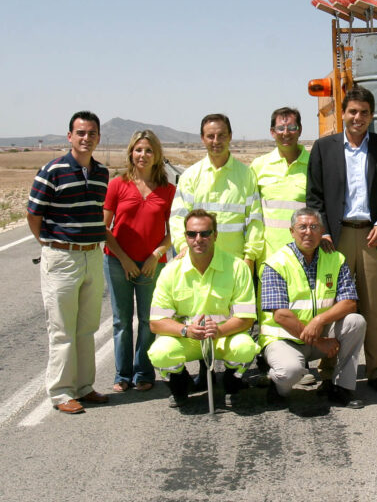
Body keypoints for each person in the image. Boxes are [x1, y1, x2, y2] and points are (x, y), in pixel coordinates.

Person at [306, 86, 377, 394]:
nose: (358, 117)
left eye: (364, 112)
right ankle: (329, 369)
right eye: (352, 111)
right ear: (343, 113)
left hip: (373, 237)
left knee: (374, 308)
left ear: (372, 116)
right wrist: (322, 231)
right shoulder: (323, 148)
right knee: (335, 305)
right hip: (335, 239)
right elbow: (315, 196)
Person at [27, 111, 110, 414]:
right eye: (80, 133)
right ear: (70, 136)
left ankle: (84, 387)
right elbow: (33, 214)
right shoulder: (52, 170)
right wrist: (50, 244)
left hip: (92, 255)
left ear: (98, 137)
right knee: (62, 329)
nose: (86, 138)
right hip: (62, 257)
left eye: (91, 133)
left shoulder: (102, 173)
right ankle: (62, 393)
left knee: (86, 327)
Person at [148, 210, 258, 409]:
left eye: (205, 233)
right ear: (185, 237)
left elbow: (246, 317)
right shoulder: (171, 271)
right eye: (192, 234)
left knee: (245, 347)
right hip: (188, 338)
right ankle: (180, 387)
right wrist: (185, 331)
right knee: (160, 352)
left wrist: (219, 331)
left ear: (215, 235)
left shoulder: (237, 267)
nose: (198, 239)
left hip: (223, 336)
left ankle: (231, 386)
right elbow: (156, 322)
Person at [258, 208, 366, 408]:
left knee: (355, 322)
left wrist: (319, 321)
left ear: (322, 231)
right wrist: (318, 343)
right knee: (289, 372)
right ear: (291, 231)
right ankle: (276, 384)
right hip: (285, 338)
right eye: (302, 227)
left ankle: (341, 386)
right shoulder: (276, 263)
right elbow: (281, 315)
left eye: (314, 227)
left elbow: (350, 302)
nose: (308, 232)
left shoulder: (335, 258)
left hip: (320, 332)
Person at [103, 130, 175, 393]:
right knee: (122, 320)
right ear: (131, 153)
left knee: (148, 320)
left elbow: (173, 231)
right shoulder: (117, 184)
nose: (143, 155)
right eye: (138, 150)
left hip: (152, 265)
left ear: (157, 155)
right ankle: (122, 374)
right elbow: (104, 227)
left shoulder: (168, 190)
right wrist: (124, 259)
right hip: (117, 262)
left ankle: (144, 372)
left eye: (148, 150)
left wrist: (155, 256)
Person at [170, 113, 263, 272]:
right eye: (210, 136)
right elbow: (178, 217)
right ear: (202, 138)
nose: (216, 141)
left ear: (230, 137)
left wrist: (250, 257)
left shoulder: (246, 176)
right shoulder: (190, 177)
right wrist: (184, 247)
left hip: (234, 265)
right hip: (197, 264)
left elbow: (254, 220)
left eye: (221, 135)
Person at [251, 107, 309, 263]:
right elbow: (250, 212)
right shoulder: (259, 166)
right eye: (280, 128)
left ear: (300, 130)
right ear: (272, 132)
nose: (286, 133)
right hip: (269, 258)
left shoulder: (314, 164)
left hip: (305, 256)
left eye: (291, 127)